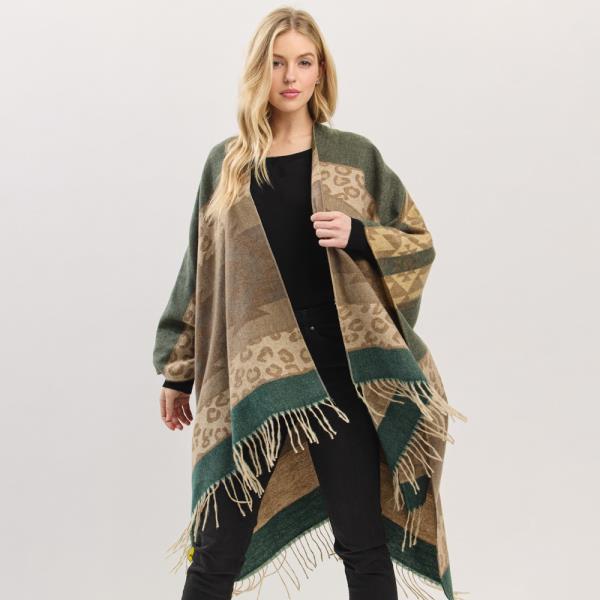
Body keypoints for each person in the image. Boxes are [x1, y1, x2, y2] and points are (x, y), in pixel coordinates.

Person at [154, 7, 466, 600]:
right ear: (259, 71)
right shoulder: (227, 165)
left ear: (321, 70)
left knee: (363, 544)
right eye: (277, 63)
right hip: (251, 376)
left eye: (303, 62)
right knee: (216, 551)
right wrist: (178, 370)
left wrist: (358, 235)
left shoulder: (354, 156)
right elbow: (199, 274)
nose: (290, 77)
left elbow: (417, 241)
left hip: (339, 370)